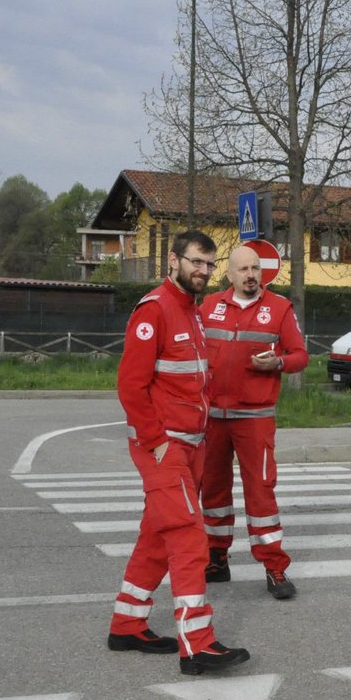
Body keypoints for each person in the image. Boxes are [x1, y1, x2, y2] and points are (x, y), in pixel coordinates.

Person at [107, 230, 251, 675]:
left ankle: (127, 624)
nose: (203, 271)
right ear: (173, 261)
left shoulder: (194, 312)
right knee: (190, 537)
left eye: (209, 264)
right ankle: (198, 644)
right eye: (196, 262)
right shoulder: (155, 310)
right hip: (163, 448)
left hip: (190, 446)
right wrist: (157, 442)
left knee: (157, 537)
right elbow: (131, 386)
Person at [200, 243, 309, 599]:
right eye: (243, 269)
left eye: (255, 269)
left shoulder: (279, 308)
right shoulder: (209, 306)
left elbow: (300, 356)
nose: (250, 275)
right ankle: (216, 559)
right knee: (213, 491)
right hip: (212, 418)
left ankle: (275, 569)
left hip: (254, 418)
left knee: (261, 493)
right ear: (228, 274)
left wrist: (277, 362)